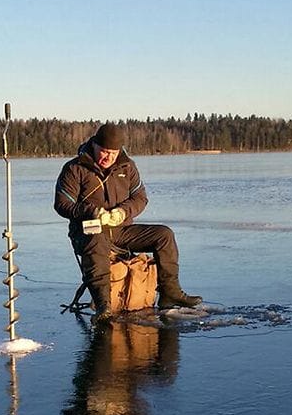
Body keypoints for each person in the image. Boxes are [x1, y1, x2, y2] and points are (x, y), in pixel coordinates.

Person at [53, 123, 201, 324]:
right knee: (97, 240)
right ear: (94, 145)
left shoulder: (127, 166)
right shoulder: (74, 168)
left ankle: (170, 294)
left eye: (113, 153)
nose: (108, 158)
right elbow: (62, 204)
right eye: (104, 152)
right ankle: (103, 306)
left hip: (122, 229)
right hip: (88, 231)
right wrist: (92, 212)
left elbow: (140, 198)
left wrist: (123, 212)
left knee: (164, 235)